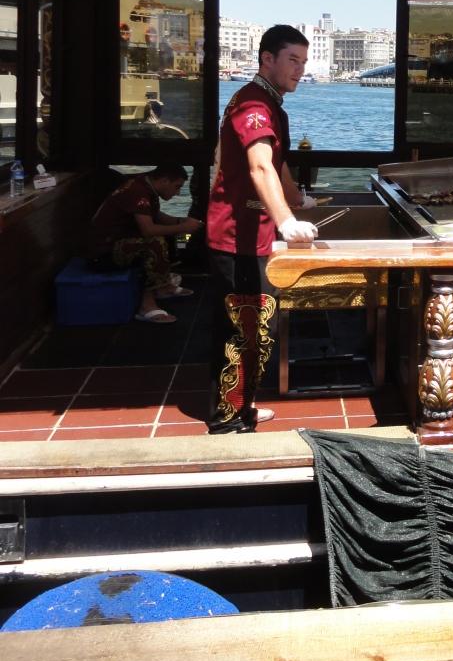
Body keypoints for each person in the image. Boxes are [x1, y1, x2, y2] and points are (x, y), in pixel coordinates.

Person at [205, 24, 319, 434]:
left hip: (255, 234)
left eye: (304, 62)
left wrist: (297, 199)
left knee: (257, 327)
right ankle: (226, 420)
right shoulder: (253, 103)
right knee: (241, 329)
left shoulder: (269, 103)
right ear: (267, 59)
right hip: (236, 237)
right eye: (292, 60)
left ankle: (244, 404)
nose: (300, 69)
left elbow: (276, 164)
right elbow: (259, 166)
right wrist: (288, 222)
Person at [89, 164, 202, 324]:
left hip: (121, 241)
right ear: (164, 181)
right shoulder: (137, 192)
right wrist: (183, 228)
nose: (177, 193)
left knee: (173, 236)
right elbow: (148, 230)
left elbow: (156, 216)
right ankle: (146, 305)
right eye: (177, 187)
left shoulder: (145, 184)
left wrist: (181, 222)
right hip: (103, 252)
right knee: (154, 243)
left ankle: (163, 285)